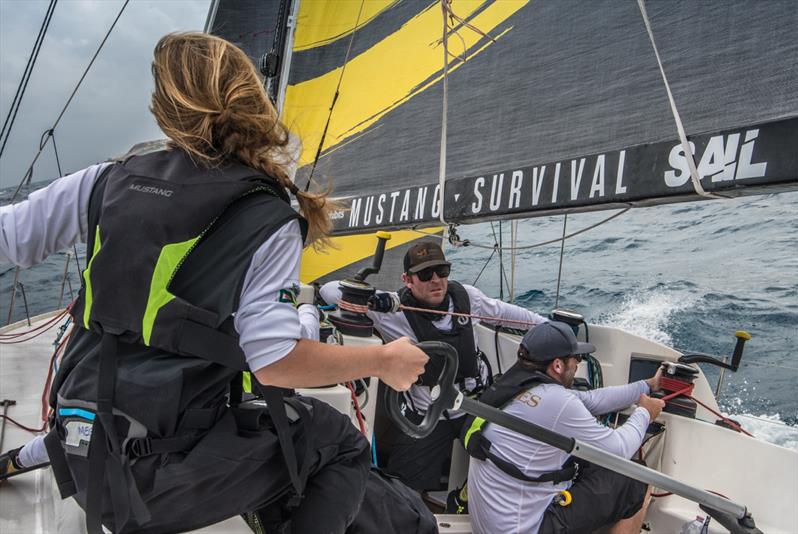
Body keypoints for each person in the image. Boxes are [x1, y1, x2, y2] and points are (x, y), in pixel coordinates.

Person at [0, 32, 428, 534]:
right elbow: (274, 363)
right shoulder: (267, 216)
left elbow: (9, 238)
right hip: (151, 489)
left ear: (164, 108)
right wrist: (383, 361)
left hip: (84, 455)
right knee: (335, 441)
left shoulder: (104, 181)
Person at [0, 302, 324, 481]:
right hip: (209, 439)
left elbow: (75, 433)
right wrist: (308, 308)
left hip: (107, 449)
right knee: (332, 439)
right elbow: (298, 343)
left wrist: (16, 460)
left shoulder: (122, 312)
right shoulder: (233, 314)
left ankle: (12, 462)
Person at [320, 240, 548, 493]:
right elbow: (329, 291)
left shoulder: (468, 298)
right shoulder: (393, 310)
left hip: (474, 406)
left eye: (442, 271)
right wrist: (374, 300)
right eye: (426, 274)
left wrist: (550, 328)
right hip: (428, 417)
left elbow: (508, 315)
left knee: (512, 460)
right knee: (402, 487)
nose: (436, 280)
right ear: (408, 279)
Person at [466, 321, 664, 534]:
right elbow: (619, 450)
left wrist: (647, 385)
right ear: (558, 365)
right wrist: (645, 413)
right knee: (637, 477)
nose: (578, 363)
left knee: (588, 465)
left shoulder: (517, 383)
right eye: (575, 358)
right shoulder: (556, 401)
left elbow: (591, 400)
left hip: (491, 523)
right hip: (524, 529)